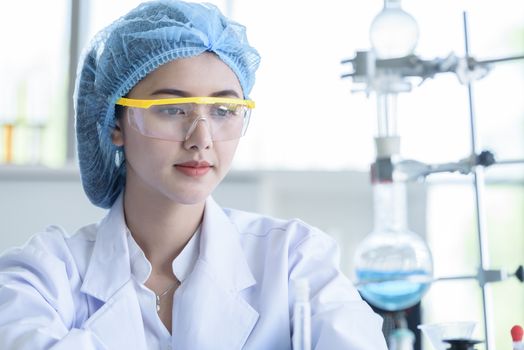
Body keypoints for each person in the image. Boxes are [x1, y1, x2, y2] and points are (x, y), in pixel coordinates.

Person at [0, 1, 388, 349]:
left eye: (223, 111)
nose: (201, 139)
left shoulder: (296, 259)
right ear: (114, 123)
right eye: (171, 109)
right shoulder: (43, 275)